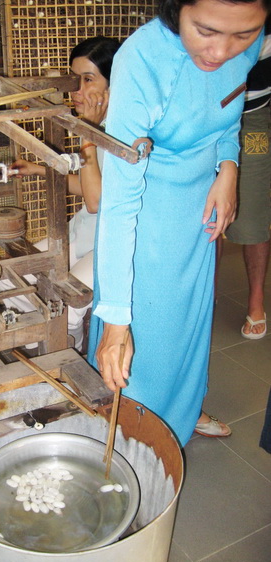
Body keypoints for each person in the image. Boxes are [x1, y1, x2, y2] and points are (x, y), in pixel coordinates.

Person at [87, 0, 270, 447]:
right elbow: (117, 204)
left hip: (198, 215)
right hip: (146, 217)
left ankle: (181, 413)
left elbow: (226, 119)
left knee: (188, 327)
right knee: (143, 331)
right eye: (205, 31)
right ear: (175, 9)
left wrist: (229, 168)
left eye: (243, 35)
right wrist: (114, 321)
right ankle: (134, 431)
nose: (222, 51)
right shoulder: (143, 62)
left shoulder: (247, 41)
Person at [0, 36, 121, 351]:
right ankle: (38, 348)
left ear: (113, 84)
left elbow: (95, 202)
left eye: (88, 80)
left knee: (66, 307)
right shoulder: (99, 123)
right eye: (73, 79)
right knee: (10, 279)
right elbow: (89, 188)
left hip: (114, 243)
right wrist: (39, 170)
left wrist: (87, 134)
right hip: (86, 231)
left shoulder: (123, 131)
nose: (76, 90)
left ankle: (67, 362)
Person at [224, 17, 270, 340]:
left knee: (253, 213)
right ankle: (204, 296)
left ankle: (256, 301)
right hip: (204, 113)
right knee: (201, 216)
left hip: (253, 113)